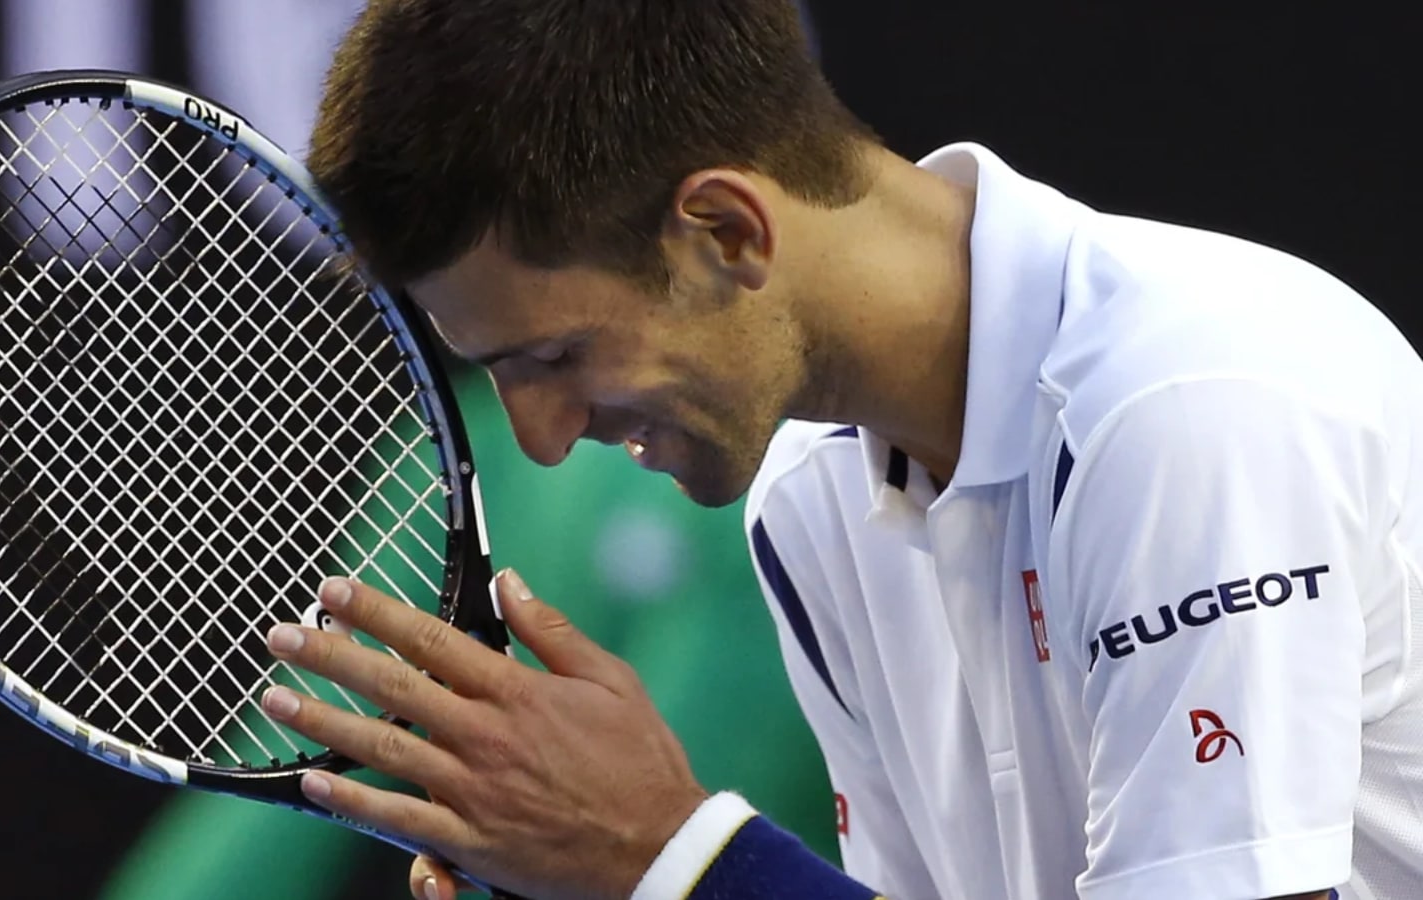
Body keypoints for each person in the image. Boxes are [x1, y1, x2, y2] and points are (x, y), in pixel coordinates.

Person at [248, 1, 1423, 898]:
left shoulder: (1186, 404)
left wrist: (674, 858)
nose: (543, 443)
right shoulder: (805, 497)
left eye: (551, 359)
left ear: (725, 229)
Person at [96, 368, 836, 900]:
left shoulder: (770, 474)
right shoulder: (446, 463)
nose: (539, 429)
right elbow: (282, 788)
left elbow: (678, 821)